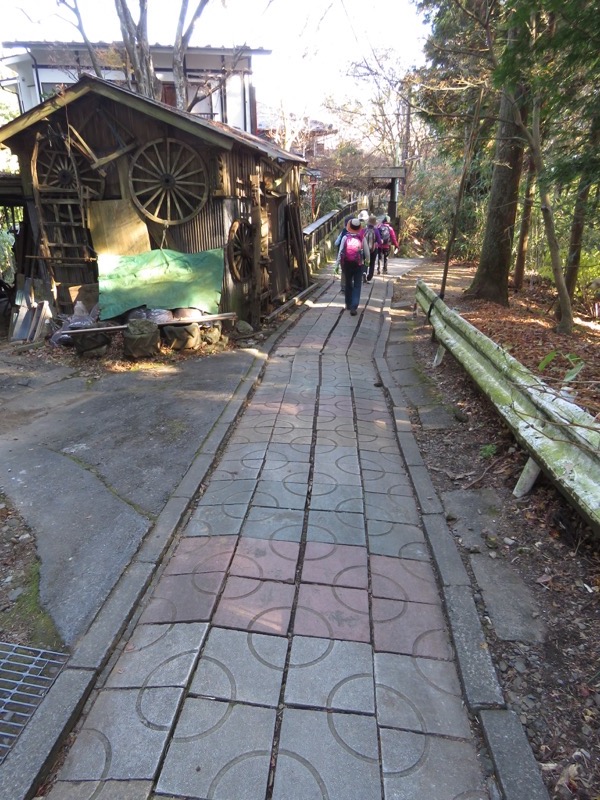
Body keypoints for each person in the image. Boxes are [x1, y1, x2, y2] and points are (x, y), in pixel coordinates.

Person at [339, 217, 370, 316]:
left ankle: (348, 304)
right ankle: (354, 306)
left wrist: (336, 265)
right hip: (358, 264)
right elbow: (367, 253)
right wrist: (367, 262)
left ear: (349, 226)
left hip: (347, 264)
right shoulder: (362, 238)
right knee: (357, 285)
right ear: (359, 227)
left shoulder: (345, 237)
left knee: (348, 283)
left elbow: (340, 252)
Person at [364, 215, 383, 282]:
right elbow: (379, 241)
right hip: (373, 249)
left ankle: (364, 272)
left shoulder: (364, 230)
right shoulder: (376, 230)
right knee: (372, 263)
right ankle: (369, 276)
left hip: (365, 249)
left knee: (365, 261)